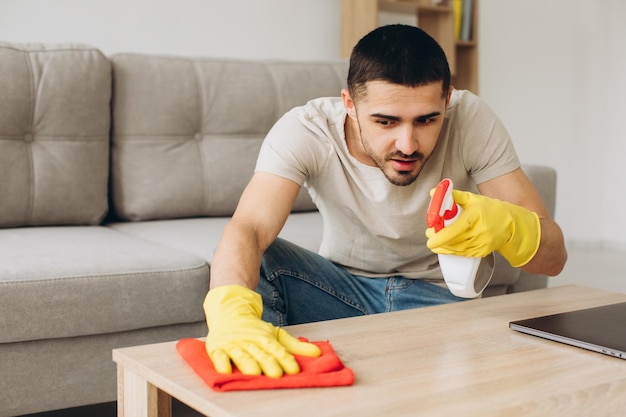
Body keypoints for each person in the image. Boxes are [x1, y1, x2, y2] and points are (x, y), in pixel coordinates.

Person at [203, 24, 567, 379]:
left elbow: (554, 259)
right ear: (349, 104)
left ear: (448, 99)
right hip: (337, 289)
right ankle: (274, 384)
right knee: (260, 255)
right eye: (385, 121)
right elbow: (249, 226)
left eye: (426, 120)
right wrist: (230, 313)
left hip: (436, 299)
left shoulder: (472, 119)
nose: (407, 144)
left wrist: (508, 226)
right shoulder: (307, 129)